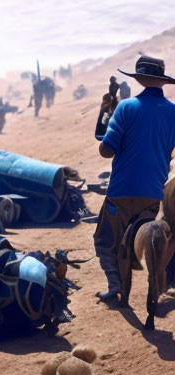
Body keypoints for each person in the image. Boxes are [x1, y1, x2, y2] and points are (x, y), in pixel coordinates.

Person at [93, 56, 175, 302]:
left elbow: (106, 149)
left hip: (122, 189)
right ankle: (159, 285)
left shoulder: (126, 107)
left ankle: (115, 284)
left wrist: (106, 116)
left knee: (105, 239)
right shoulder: (173, 111)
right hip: (153, 192)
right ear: (162, 81)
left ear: (138, 79)